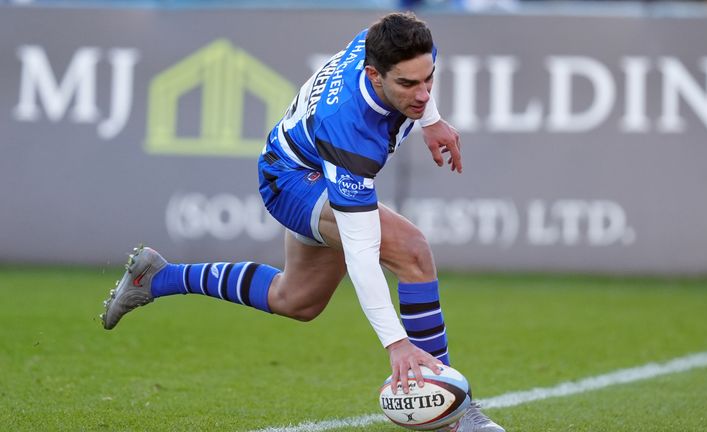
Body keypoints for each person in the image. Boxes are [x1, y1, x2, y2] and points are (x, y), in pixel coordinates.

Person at [101, 12, 504, 432]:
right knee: (412, 251)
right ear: (374, 75)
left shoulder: (396, 44)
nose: (422, 94)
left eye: (429, 80)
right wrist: (397, 344)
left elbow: (416, 78)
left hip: (301, 160)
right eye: (408, 85)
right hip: (291, 182)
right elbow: (362, 256)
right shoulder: (350, 131)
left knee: (298, 301)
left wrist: (432, 119)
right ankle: (454, 417)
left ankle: (160, 278)